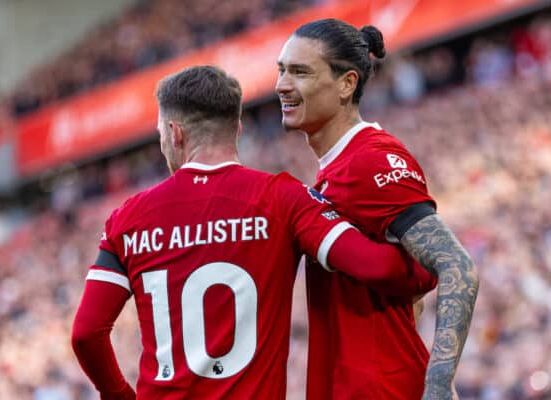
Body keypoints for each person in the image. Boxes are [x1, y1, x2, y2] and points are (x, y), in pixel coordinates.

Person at [71, 65, 435, 399]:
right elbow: (376, 266)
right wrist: (431, 267)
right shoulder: (282, 197)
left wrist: (119, 395)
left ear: (174, 133)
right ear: (238, 128)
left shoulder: (128, 218)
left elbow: (87, 333)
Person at [275, 19, 479, 399]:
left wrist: (437, 383)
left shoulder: (372, 159)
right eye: (282, 70)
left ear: (346, 84)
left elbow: (456, 264)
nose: (282, 84)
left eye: (300, 72)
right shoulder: (338, 166)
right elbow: (410, 288)